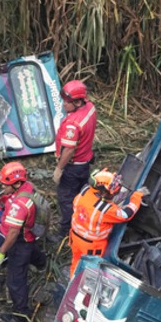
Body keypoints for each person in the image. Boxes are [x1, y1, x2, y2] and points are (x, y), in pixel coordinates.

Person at [0, 163, 48, 322]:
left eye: (5, 184)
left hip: (19, 243)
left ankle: (21, 314)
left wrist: (2, 251)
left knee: (15, 280)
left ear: (17, 183)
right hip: (28, 237)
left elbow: (13, 233)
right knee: (33, 252)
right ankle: (42, 263)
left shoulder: (19, 205)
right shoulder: (28, 187)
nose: (2, 187)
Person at [69, 169, 146, 277]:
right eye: (113, 192)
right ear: (103, 192)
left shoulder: (85, 191)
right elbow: (126, 214)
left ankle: (73, 280)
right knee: (90, 271)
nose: (114, 194)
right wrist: (136, 197)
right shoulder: (104, 209)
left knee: (76, 263)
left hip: (75, 238)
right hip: (92, 247)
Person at [54, 80, 98, 240]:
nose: (64, 104)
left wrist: (59, 168)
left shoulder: (72, 124)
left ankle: (66, 232)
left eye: (67, 102)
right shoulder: (90, 107)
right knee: (82, 194)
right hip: (85, 162)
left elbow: (69, 150)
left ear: (78, 102)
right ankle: (83, 220)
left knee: (66, 199)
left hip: (72, 168)